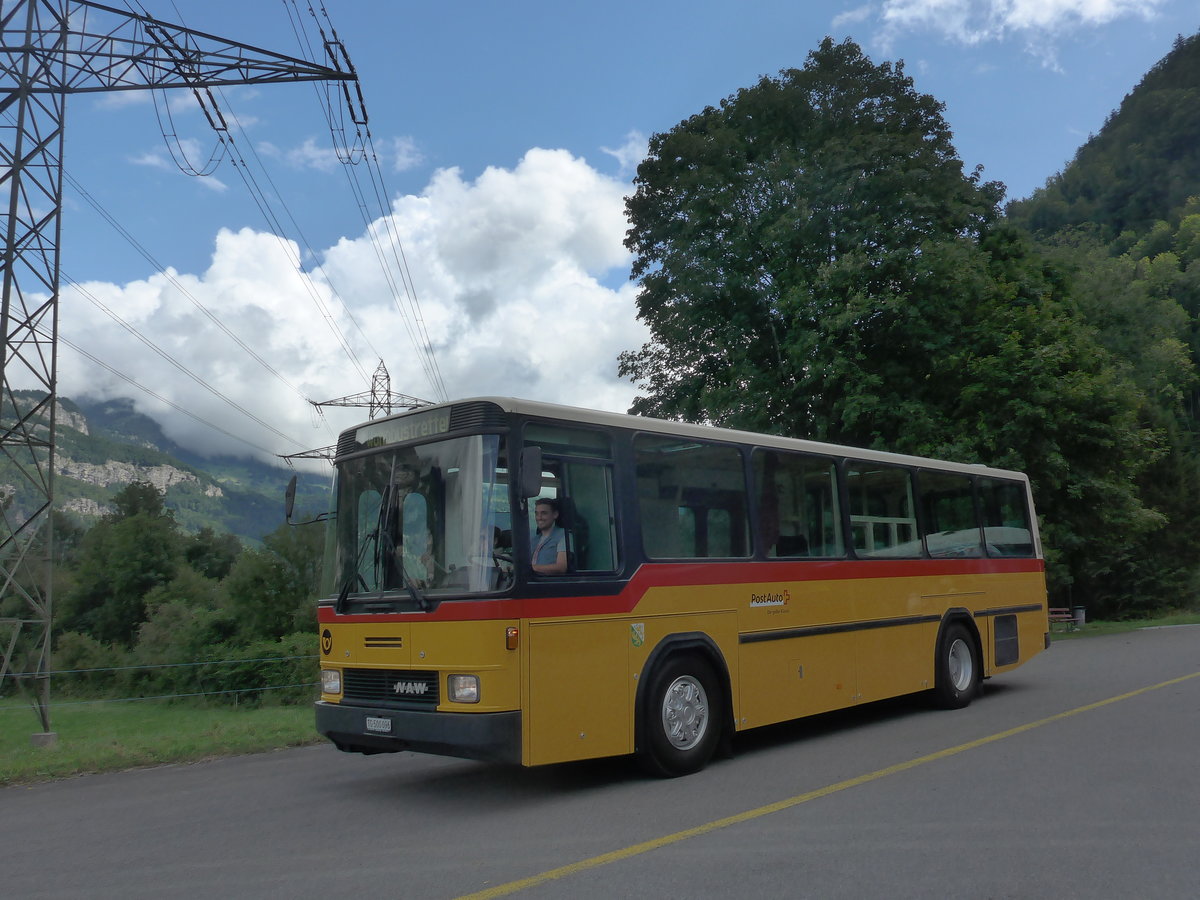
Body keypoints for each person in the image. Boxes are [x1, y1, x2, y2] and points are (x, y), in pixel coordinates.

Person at [531, 497, 568, 575]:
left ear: (555, 514)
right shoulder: (534, 540)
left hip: (549, 583)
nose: (539, 518)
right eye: (536, 513)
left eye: (544, 513)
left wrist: (530, 568)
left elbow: (561, 567)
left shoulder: (564, 536)